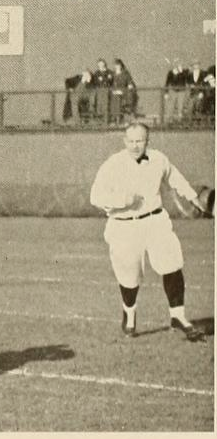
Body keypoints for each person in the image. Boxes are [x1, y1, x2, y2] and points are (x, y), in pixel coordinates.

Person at [89, 122, 207, 342]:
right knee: (129, 275)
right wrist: (123, 200)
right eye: (131, 141)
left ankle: (178, 316)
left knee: (172, 263)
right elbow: (95, 196)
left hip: (155, 220)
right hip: (124, 225)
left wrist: (193, 198)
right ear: (124, 141)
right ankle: (129, 312)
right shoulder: (112, 164)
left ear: (147, 141)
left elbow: (175, 178)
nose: (135, 146)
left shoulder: (159, 159)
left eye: (140, 141)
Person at [163, 59, 189, 124]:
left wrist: (181, 72)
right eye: (177, 64)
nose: (178, 65)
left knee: (180, 106)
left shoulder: (185, 71)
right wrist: (166, 92)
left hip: (182, 91)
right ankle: (169, 121)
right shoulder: (171, 72)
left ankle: (180, 121)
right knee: (171, 106)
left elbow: (186, 79)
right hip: (173, 91)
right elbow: (167, 82)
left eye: (180, 64)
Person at [91, 59, 113, 123]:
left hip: (107, 90)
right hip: (99, 90)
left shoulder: (109, 72)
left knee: (105, 105)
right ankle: (99, 120)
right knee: (99, 105)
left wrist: (103, 80)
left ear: (104, 63)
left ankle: (105, 121)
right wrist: (104, 79)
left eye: (102, 63)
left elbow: (110, 80)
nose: (101, 65)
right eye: (99, 64)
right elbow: (95, 82)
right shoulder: (96, 73)